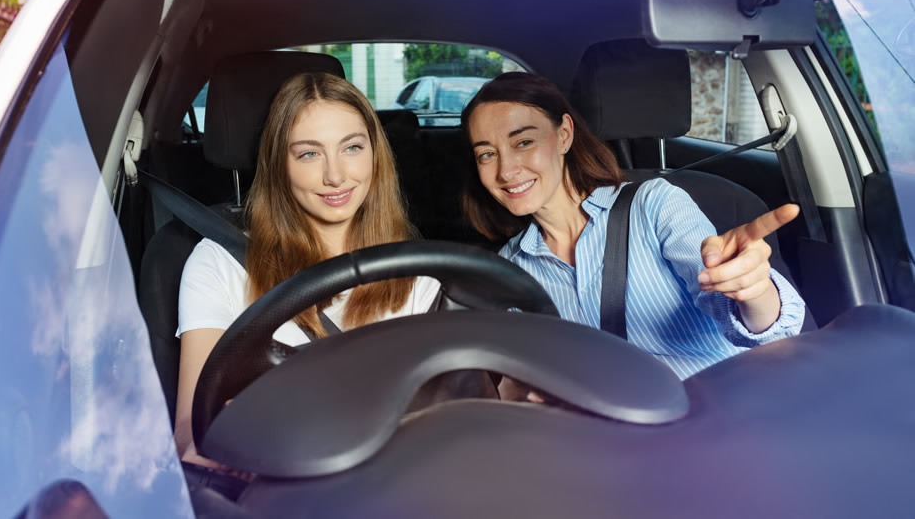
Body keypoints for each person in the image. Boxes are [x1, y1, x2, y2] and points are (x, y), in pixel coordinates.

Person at [461, 72, 805, 384]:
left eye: (523, 143)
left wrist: (753, 291)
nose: (506, 170)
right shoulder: (510, 266)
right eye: (487, 154)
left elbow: (759, 327)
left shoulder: (653, 204)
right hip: (606, 438)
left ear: (564, 135)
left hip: (717, 419)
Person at [174, 72, 441, 470]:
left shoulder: (416, 270)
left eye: (351, 148)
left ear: (375, 153)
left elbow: (439, 425)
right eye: (309, 154)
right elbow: (192, 437)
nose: (335, 175)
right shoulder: (221, 263)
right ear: (279, 164)